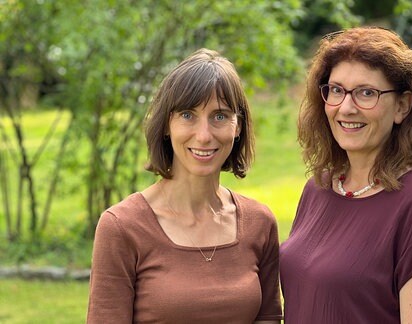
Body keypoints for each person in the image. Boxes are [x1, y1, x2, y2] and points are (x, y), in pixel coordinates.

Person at [87, 48, 282, 324]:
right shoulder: (121, 227)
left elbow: (270, 318)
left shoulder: (260, 223)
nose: (204, 135)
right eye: (188, 115)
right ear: (167, 124)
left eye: (220, 116)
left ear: (238, 127)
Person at [279, 27, 412, 323]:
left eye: (366, 93)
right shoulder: (318, 187)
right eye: (336, 90)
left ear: (402, 106)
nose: (346, 108)